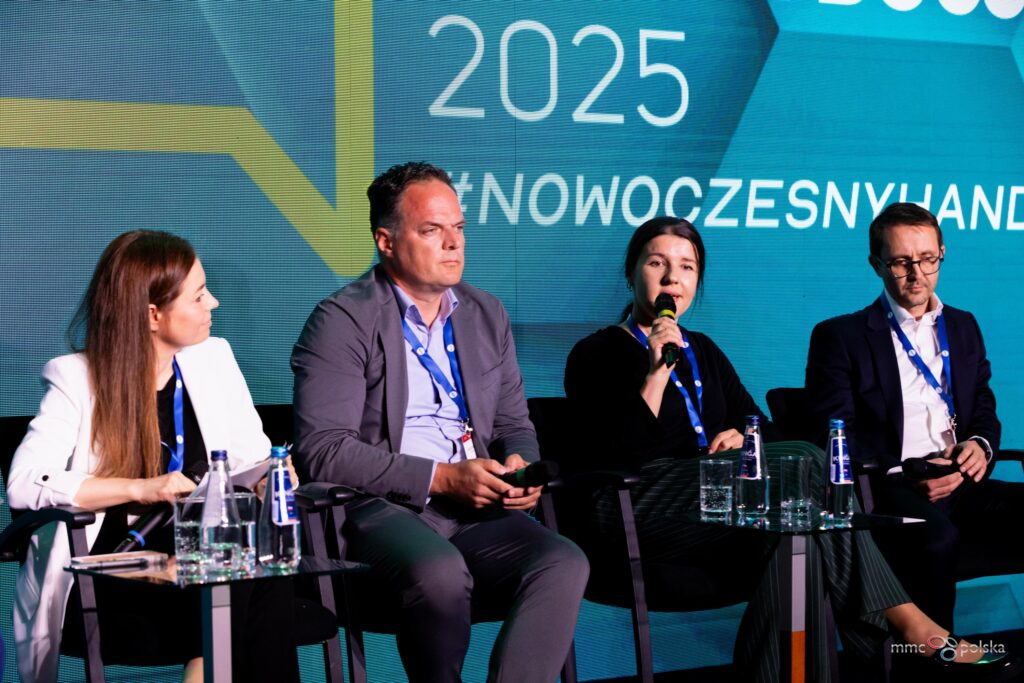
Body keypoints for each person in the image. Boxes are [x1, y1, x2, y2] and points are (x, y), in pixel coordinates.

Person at [565, 216, 1019, 681]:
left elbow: (764, 429)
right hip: (632, 506)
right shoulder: (596, 352)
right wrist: (657, 372)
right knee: (806, 464)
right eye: (657, 264)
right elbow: (618, 455)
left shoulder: (703, 349)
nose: (671, 278)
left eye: (687, 267)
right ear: (631, 273)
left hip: (712, 503)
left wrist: (743, 438)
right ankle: (909, 623)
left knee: (799, 536)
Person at [291, 161, 587, 683]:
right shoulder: (341, 320)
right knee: (438, 570)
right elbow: (324, 449)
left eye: (459, 228)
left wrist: (518, 466)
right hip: (379, 508)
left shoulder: (485, 313)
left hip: (474, 508)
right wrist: (442, 478)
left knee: (563, 562)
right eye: (432, 230)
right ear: (386, 241)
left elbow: (513, 422)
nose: (454, 243)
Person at [7, 230, 299, 683]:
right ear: (152, 315)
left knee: (254, 575)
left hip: (202, 560)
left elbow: (250, 459)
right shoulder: (75, 378)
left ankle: (202, 670)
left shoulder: (213, 359)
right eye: (198, 296)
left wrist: (269, 478)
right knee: (245, 581)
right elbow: (25, 482)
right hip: (115, 567)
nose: (214, 303)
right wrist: (140, 488)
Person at [805, 202, 1024, 632]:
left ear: (942, 253)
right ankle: (934, 657)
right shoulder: (841, 336)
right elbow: (833, 434)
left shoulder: (963, 326)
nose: (917, 274)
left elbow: (983, 405)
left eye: (927, 259)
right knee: (937, 540)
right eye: (901, 262)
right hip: (891, 487)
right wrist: (907, 473)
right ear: (877, 264)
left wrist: (980, 446)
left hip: (962, 481)